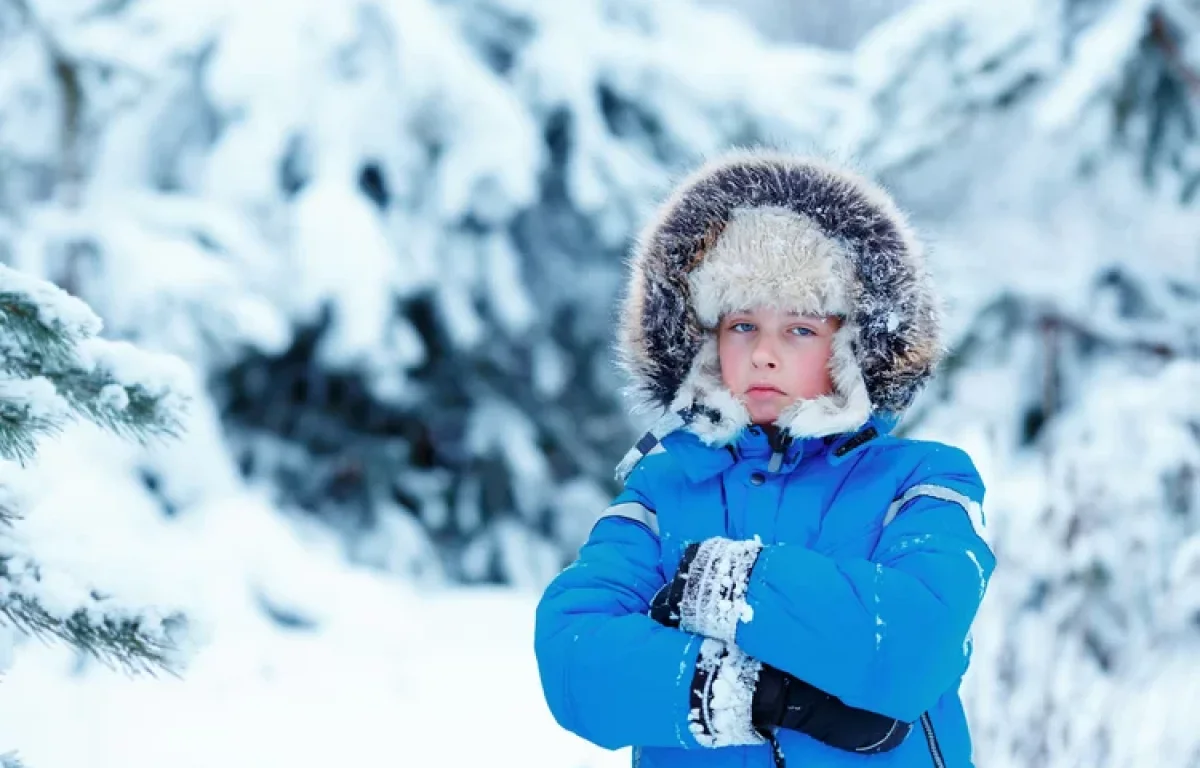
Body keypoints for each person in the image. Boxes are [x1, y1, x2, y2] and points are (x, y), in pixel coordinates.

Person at [534, 149, 994, 768]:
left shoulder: (923, 481)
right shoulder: (665, 486)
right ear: (705, 339)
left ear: (851, 346)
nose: (764, 355)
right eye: (742, 325)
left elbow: (914, 645)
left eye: (800, 329)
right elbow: (575, 656)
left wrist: (722, 583)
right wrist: (761, 696)